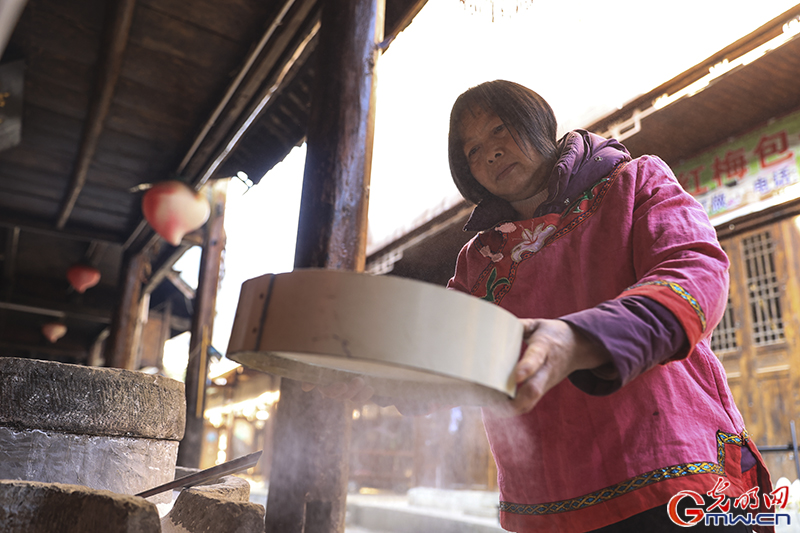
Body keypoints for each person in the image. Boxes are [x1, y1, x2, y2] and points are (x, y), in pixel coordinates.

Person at [442, 80, 773, 532]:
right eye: (473, 150)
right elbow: (443, 352)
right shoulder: (477, 262)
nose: (491, 153)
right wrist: (379, 381)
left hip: (673, 478)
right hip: (547, 504)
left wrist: (579, 339)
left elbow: (695, 272)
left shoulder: (634, 182)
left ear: (539, 122)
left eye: (500, 129)